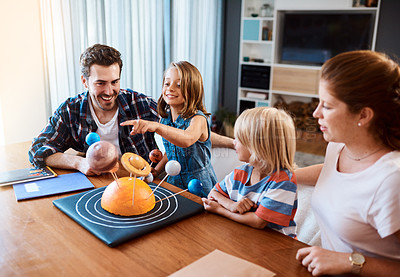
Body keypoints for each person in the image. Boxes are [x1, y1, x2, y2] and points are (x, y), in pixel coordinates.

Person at [295, 50, 400, 276]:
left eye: (328, 106)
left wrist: (350, 262)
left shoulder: (392, 180)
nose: (315, 113)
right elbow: (336, 175)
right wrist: (285, 175)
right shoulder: (339, 145)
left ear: (363, 115)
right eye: (318, 102)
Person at [121, 61, 217, 197]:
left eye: (179, 85)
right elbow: (172, 152)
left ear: (193, 89)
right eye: (167, 83)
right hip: (174, 182)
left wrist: (157, 127)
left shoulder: (198, 119)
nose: (170, 88)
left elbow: (187, 139)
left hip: (199, 185)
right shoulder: (165, 118)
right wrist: (156, 170)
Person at [201, 107, 298, 237]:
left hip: (275, 248)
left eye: (238, 138)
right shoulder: (241, 173)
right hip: (244, 237)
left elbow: (258, 221)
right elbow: (214, 193)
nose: (233, 142)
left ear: (257, 145)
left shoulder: (283, 180)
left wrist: (220, 210)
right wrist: (232, 205)